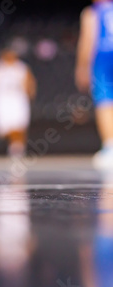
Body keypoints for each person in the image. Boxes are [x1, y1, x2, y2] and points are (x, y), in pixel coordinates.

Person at [76, 0, 113, 165]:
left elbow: (87, 40)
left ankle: (110, 147)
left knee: (104, 101)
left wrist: (82, 67)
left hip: (103, 58)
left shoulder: (92, 13)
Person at [0, 49, 37, 157]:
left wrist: (30, 95)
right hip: (1, 100)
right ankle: (9, 141)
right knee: (2, 129)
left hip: (17, 99)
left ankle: (17, 149)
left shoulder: (22, 67)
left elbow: (30, 83)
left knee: (19, 125)